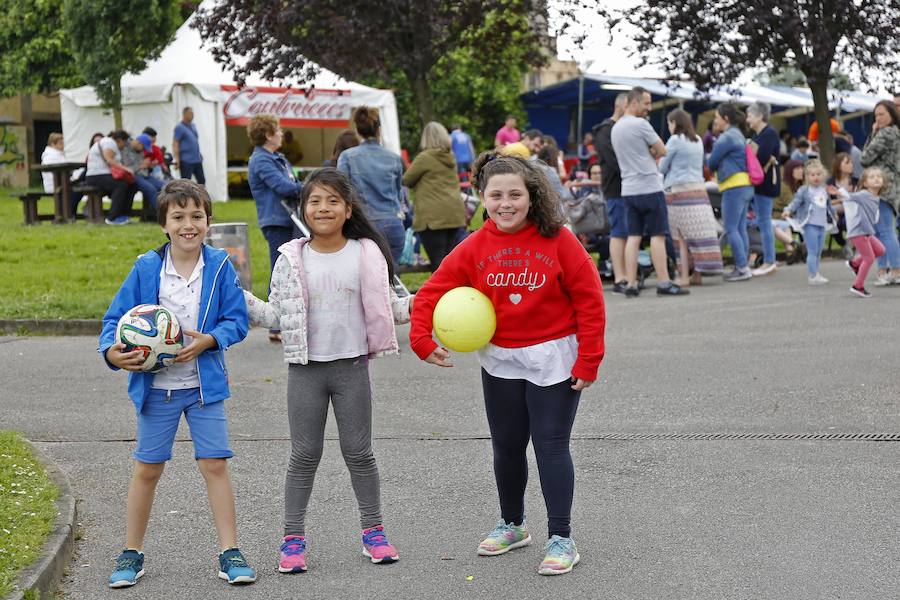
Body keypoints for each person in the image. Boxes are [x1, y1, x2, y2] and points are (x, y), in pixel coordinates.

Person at [409, 152, 605, 577]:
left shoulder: (560, 241)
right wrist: (421, 339)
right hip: (500, 359)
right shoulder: (475, 246)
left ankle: (561, 537)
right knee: (507, 447)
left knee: (550, 446)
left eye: (515, 194)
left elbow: (590, 299)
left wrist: (590, 358)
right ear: (482, 198)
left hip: (554, 356)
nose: (506, 203)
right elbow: (430, 292)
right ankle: (513, 525)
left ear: (531, 196)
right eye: (495, 195)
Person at [242, 168, 409, 573]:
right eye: (315, 201)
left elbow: (392, 307)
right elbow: (275, 314)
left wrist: (428, 302)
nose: (323, 208)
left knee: (359, 453)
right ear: (303, 210)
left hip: (352, 368)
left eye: (333, 201)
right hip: (306, 371)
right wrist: (238, 296)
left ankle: (374, 533)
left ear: (348, 209)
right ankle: (292, 540)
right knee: (304, 456)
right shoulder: (291, 258)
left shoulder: (367, 252)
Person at [99, 180, 255, 588]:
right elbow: (114, 322)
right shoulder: (147, 268)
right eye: (179, 217)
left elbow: (236, 321)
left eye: (197, 217)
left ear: (208, 221)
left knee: (215, 465)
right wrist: (112, 353)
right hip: (156, 390)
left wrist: (210, 340)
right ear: (164, 225)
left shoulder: (221, 265)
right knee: (147, 469)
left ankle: (230, 551)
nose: (189, 225)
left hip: (204, 389)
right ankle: (131, 552)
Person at [611, 86, 687, 296]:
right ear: (633, 102)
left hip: (628, 189)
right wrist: (649, 151)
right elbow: (662, 150)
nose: (648, 107)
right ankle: (664, 282)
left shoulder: (615, 128)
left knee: (633, 236)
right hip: (649, 187)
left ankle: (631, 284)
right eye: (645, 103)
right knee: (658, 235)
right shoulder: (641, 125)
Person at [247, 115, 303, 342]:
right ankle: (275, 326)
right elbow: (283, 187)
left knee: (291, 271)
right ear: (268, 135)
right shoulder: (261, 160)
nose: (281, 133)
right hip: (276, 221)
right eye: (277, 130)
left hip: (289, 219)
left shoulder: (277, 158)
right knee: (280, 272)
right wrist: (311, 187)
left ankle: (286, 323)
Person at [658, 109, 724, 286]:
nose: (669, 127)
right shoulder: (698, 141)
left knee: (680, 236)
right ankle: (698, 275)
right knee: (696, 236)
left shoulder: (674, 140)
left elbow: (662, 167)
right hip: (699, 191)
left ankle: (683, 276)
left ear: (675, 123)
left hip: (678, 192)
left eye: (670, 123)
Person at [337, 106, 406, 266]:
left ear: (357, 130)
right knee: (388, 278)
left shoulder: (347, 157)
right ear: (379, 130)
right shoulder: (394, 158)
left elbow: (342, 192)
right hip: (393, 225)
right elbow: (399, 195)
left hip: (365, 225)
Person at [402, 122, 467, 271]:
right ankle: (455, 293)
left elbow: (407, 180)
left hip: (433, 218)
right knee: (450, 262)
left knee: (438, 264)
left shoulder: (424, 157)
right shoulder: (450, 157)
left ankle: (442, 293)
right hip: (454, 214)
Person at [708, 103, 755, 282]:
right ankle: (743, 266)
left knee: (730, 227)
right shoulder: (739, 135)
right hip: (745, 185)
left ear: (726, 119)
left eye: (717, 118)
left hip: (733, 186)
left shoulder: (726, 137)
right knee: (740, 227)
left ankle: (742, 267)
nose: (715, 121)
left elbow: (712, 162)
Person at [860, 99, 900, 286]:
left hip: (882, 187)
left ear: (891, 114)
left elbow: (865, 157)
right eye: (876, 115)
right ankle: (883, 270)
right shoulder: (896, 132)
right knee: (879, 230)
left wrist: (873, 132)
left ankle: (896, 270)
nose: (878, 118)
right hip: (890, 186)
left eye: (882, 114)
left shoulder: (885, 134)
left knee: (884, 230)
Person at [593, 93, 629, 293]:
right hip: (615, 188)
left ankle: (626, 275)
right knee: (619, 232)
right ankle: (620, 277)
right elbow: (613, 160)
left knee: (626, 232)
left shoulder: (622, 129)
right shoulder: (604, 130)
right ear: (621, 105)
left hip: (628, 188)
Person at [782, 159, 836, 285]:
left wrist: (833, 215)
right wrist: (788, 210)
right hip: (810, 224)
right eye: (812, 175)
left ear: (823, 175)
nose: (816, 177)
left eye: (818, 174)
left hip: (822, 224)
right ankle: (812, 275)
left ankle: (816, 273)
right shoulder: (804, 190)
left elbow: (828, 205)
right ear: (806, 177)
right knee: (812, 251)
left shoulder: (824, 190)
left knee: (818, 251)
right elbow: (795, 203)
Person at [834, 167, 886, 297]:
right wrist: (839, 192)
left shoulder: (876, 196)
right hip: (859, 231)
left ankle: (855, 263)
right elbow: (850, 196)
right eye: (872, 177)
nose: (876, 179)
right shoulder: (864, 194)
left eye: (879, 176)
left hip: (867, 231)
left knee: (880, 250)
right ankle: (858, 286)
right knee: (869, 258)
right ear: (865, 183)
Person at [747, 101, 781, 276]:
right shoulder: (761, 135)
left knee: (764, 221)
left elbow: (760, 159)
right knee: (763, 221)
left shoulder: (768, 134)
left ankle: (769, 260)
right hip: (761, 183)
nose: (748, 119)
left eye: (750, 115)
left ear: (760, 116)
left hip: (765, 183)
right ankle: (768, 259)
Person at [85, 130, 138, 225]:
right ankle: (112, 217)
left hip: (100, 175)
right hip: (96, 175)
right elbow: (109, 159)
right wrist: (126, 169)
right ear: (120, 140)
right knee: (120, 185)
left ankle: (123, 215)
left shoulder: (108, 142)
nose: (124, 146)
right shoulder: (109, 142)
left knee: (132, 185)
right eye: (125, 143)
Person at [40, 133, 81, 213]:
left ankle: (70, 212)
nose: (63, 146)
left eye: (63, 143)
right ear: (53, 144)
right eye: (60, 143)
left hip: (62, 182)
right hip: (55, 185)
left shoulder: (58, 154)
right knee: (77, 189)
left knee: (81, 186)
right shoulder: (50, 156)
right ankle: (69, 212)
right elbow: (55, 173)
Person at [173, 106, 204, 184]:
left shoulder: (193, 126)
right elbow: (175, 143)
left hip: (197, 159)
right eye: (190, 113)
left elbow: (194, 141)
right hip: (186, 160)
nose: (192, 115)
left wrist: (199, 153)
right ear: (184, 114)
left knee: (202, 181)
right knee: (186, 183)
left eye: (193, 113)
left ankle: (201, 196)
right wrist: (177, 159)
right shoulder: (179, 127)